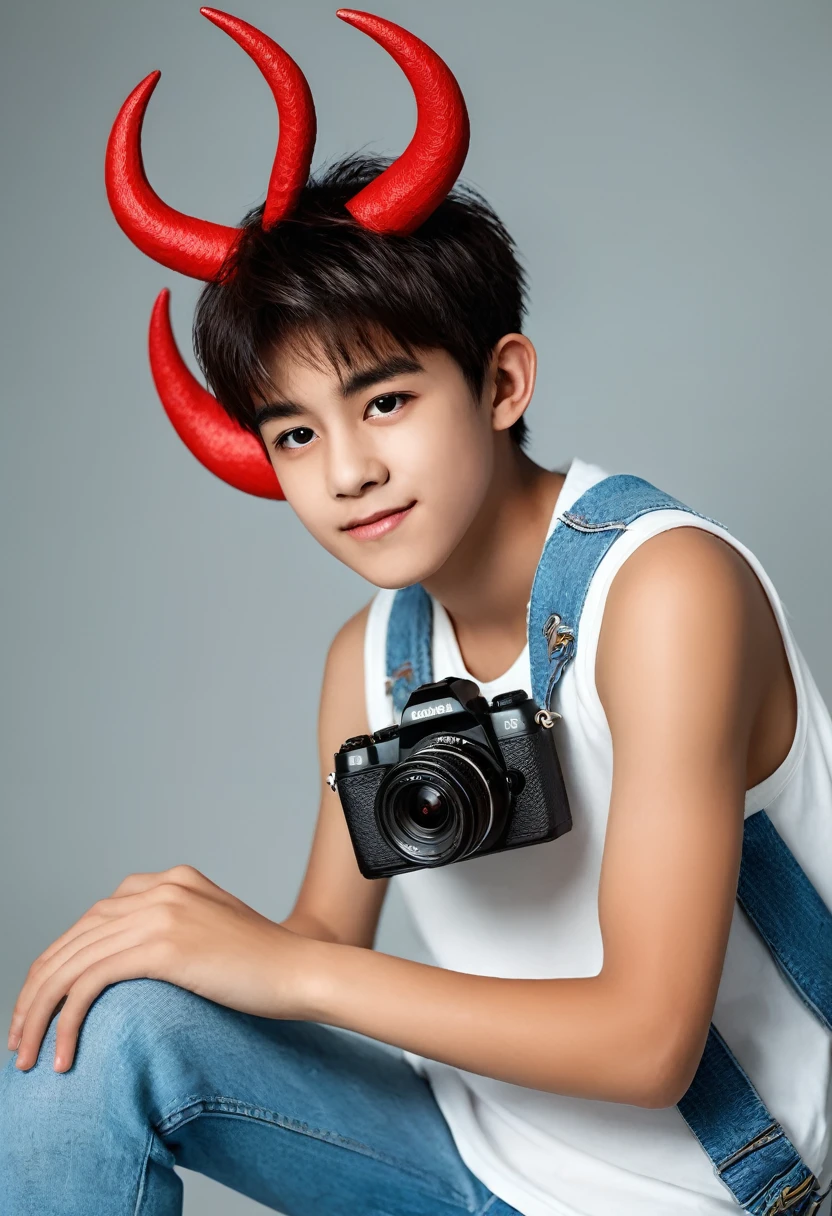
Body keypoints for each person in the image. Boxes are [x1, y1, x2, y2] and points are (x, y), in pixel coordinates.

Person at [2, 9, 831, 1216]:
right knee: (101, 1028)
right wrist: (196, 938)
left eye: (383, 401)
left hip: (704, 1189)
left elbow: (649, 1041)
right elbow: (322, 952)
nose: (345, 472)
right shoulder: (372, 657)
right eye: (295, 432)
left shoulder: (662, 592)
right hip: (466, 1155)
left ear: (501, 382)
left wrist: (285, 967)